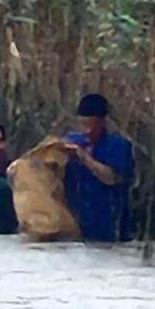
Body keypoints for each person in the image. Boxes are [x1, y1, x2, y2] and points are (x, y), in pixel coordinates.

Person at [63, 93, 134, 242]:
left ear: (103, 122)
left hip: (110, 230)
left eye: (91, 125)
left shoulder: (118, 146)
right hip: (75, 231)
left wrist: (84, 158)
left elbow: (112, 178)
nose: (87, 131)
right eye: (83, 125)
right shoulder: (70, 142)